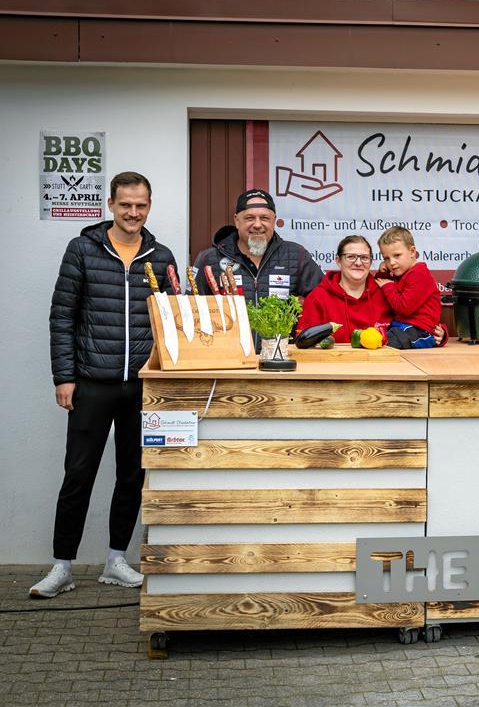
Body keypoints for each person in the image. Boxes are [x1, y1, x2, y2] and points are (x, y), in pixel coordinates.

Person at [31, 171, 178, 598]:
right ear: (111, 205)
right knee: (78, 474)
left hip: (141, 387)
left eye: (141, 205)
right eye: (126, 204)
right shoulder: (82, 249)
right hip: (91, 382)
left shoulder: (160, 254)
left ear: (148, 207)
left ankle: (116, 559)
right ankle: (62, 566)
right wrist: (64, 376)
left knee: (132, 475)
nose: (133, 213)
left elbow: (169, 321)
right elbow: (62, 316)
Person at [296, 234, 447, 345]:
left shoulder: (386, 291)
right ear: (338, 261)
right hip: (335, 374)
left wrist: (441, 333)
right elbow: (303, 340)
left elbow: (418, 316)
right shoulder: (318, 297)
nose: (358, 263)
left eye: (364, 258)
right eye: (351, 257)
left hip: (385, 375)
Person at [192, 189, 323, 304]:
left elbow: (323, 303)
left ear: (274, 221)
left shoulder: (297, 256)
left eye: (264, 218)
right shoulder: (208, 259)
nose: (257, 224)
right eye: (250, 218)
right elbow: (191, 308)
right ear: (237, 221)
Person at [375, 226, 443, 349]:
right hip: (403, 327)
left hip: (420, 330)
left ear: (412, 252)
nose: (391, 263)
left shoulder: (419, 274)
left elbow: (404, 307)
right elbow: (382, 286)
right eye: (386, 258)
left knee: (386, 342)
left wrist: (388, 285)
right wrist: (383, 274)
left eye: (397, 255)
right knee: (378, 337)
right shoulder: (401, 273)